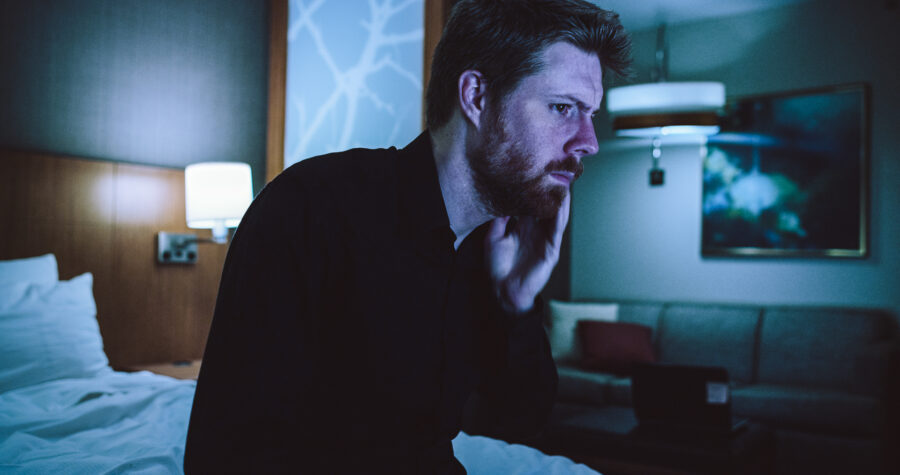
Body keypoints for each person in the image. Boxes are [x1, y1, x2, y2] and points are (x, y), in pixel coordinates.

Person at [184, 0, 631, 473]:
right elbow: (227, 454)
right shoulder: (309, 210)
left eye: (591, 114)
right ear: (477, 97)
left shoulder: (494, 248)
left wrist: (517, 307)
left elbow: (518, 422)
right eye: (564, 108)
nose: (589, 141)